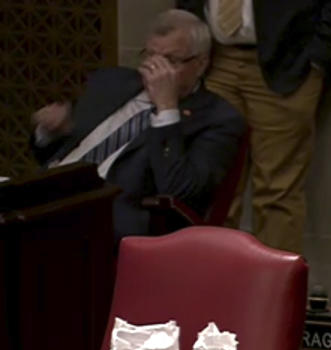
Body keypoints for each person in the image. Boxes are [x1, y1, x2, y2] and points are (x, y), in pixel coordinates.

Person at [30, 9, 245, 241]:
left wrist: (167, 108)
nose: (155, 69)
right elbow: (50, 155)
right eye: (150, 56)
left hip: (102, 220)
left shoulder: (218, 119)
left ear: (201, 64)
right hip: (44, 197)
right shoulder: (112, 82)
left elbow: (181, 193)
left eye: (170, 61)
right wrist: (49, 132)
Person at [178, 0, 331, 254]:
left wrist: (319, 57)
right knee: (213, 188)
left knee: (277, 192)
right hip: (214, 61)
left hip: (287, 62)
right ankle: (212, 283)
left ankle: (272, 288)